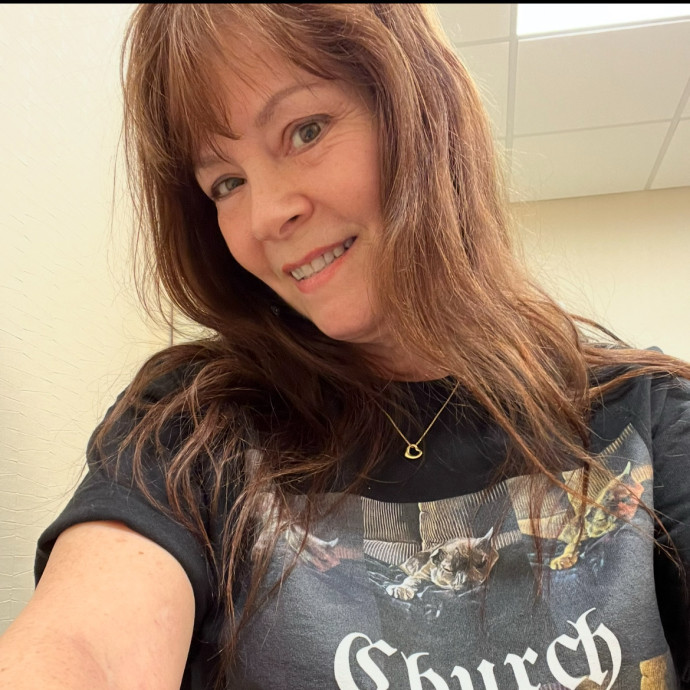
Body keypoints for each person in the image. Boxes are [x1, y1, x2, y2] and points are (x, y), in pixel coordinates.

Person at [0, 4, 688, 689]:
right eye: (227, 183)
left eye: (305, 130)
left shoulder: (649, 419)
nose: (266, 215)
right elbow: (83, 645)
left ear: (421, 110)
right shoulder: (192, 426)